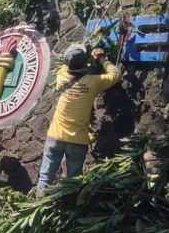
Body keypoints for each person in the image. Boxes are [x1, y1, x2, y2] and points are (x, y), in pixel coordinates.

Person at [36, 45, 121, 190]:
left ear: (67, 64)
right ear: (85, 62)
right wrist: (101, 59)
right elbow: (116, 74)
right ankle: (67, 207)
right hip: (77, 140)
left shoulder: (61, 76)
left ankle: (40, 203)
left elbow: (66, 62)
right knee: (72, 183)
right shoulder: (94, 82)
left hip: (55, 137)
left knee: (45, 178)